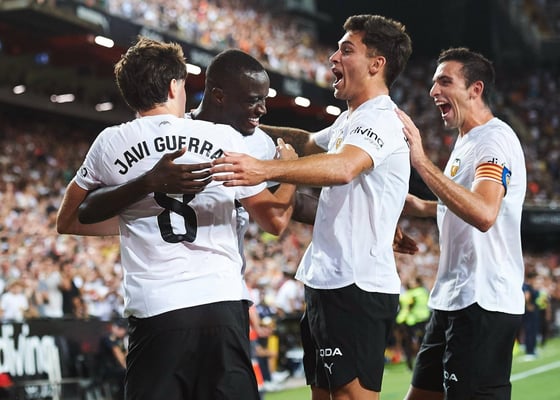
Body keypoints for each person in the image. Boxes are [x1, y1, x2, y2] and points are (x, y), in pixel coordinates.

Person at [56, 36, 298, 400]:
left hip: (157, 310)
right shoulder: (222, 137)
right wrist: (289, 171)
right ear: (173, 86)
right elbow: (274, 221)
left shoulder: (110, 142)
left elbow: (69, 219)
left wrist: (136, 217)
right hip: (221, 302)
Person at [211, 14, 413, 400]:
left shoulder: (382, 120)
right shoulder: (349, 121)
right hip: (326, 282)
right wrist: (220, 122)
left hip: (355, 285)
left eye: (346, 50)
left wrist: (264, 169)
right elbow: (304, 143)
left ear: (376, 64)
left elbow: (343, 168)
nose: (333, 58)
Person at [396, 47, 526, 399]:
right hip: (452, 298)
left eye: (444, 82)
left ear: (475, 89)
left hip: (483, 300)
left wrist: (421, 163)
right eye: (433, 82)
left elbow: (483, 213)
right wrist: (419, 207)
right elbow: (461, 204)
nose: (433, 91)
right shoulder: (466, 141)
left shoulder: (494, 139)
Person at [97, 319, 128, 399]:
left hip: (117, 369)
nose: (121, 331)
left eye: (122, 329)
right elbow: (119, 356)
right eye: (119, 328)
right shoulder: (109, 337)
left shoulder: (121, 339)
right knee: (126, 374)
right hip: (107, 370)